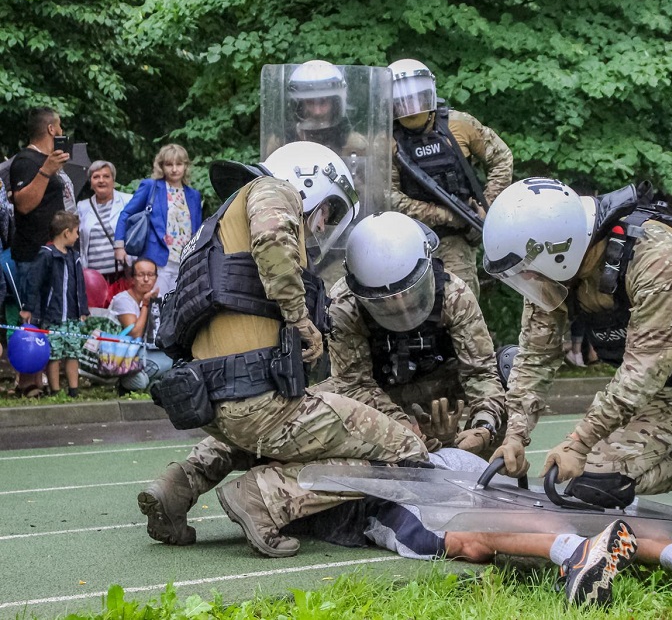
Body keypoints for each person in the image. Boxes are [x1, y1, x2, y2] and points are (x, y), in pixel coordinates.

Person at [481, 178, 672, 582]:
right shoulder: (551, 276)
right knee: (593, 482)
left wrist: (578, 442)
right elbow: (534, 359)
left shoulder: (652, 251)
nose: (527, 281)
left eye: (527, 271)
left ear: (559, 250)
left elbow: (645, 368)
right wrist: (515, 436)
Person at [141, 141, 426, 559]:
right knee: (406, 451)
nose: (322, 223)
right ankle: (265, 497)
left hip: (208, 401)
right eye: (327, 210)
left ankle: (176, 487)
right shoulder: (273, 189)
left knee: (265, 432)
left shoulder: (215, 229)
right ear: (308, 181)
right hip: (258, 403)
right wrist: (299, 318)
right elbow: (273, 237)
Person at [288, 449, 672, 606]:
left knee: (467, 535)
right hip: (444, 459)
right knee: (550, 510)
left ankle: (573, 553)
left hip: (387, 491)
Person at [321, 211, 506, 452]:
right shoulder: (343, 305)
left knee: (508, 367)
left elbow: (480, 371)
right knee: (320, 400)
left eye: (408, 293)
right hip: (378, 398)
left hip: (440, 386)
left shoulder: (454, 295)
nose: (399, 306)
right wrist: (403, 427)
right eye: (384, 301)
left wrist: (484, 426)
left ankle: (482, 462)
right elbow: (354, 384)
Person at [388, 58, 513, 299]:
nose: (410, 106)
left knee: (462, 302)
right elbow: (388, 197)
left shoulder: (458, 125)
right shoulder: (387, 141)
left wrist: (487, 204)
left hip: (456, 238)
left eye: (416, 97)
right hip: (407, 239)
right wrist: (445, 215)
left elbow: (501, 158)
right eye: (402, 100)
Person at [8, 107, 70, 397]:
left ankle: (40, 379)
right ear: (51, 129)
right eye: (60, 126)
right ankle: (27, 382)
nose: (62, 131)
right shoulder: (25, 160)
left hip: (51, 252)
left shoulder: (50, 163)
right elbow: (23, 204)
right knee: (30, 314)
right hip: (31, 253)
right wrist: (46, 170)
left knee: (46, 315)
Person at [114, 144, 202, 295]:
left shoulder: (193, 195)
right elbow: (126, 214)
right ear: (161, 166)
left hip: (184, 262)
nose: (174, 169)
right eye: (169, 164)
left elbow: (198, 230)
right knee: (155, 304)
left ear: (186, 166)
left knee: (179, 305)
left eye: (179, 164)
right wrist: (119, 246)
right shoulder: (151, 186)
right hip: (156, 260)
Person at [20, 211, 89, 397]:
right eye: (76, 232)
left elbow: (80, 285)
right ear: (66, 232)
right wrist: (28, 308)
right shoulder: (46, 255)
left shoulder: (74, 257)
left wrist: (83, 309)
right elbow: (33, 283)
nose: (77, 236)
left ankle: (74, 390)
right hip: (52, 316)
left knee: (73, 352)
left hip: (72, 316)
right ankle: (55, 390)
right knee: (54, 354)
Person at [109, 258, 172, 392]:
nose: (146, 279)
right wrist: (146, 305)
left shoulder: (159, 298)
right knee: (140, 382)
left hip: (151, 352)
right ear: (132, 279)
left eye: (150, 275)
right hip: (126, 355)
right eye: (141, 275)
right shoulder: (123, 300)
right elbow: (135, 333)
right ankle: (127, 381)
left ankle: (154, 382)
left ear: (156, 278)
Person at [78, 160, 133, 284]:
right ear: (91, 182)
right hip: (93, 277)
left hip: (122, 273)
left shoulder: (128, 201)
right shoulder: (82, 207)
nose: (101, 180)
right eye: (96, 177)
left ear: (113, 180)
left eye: (106, 176)